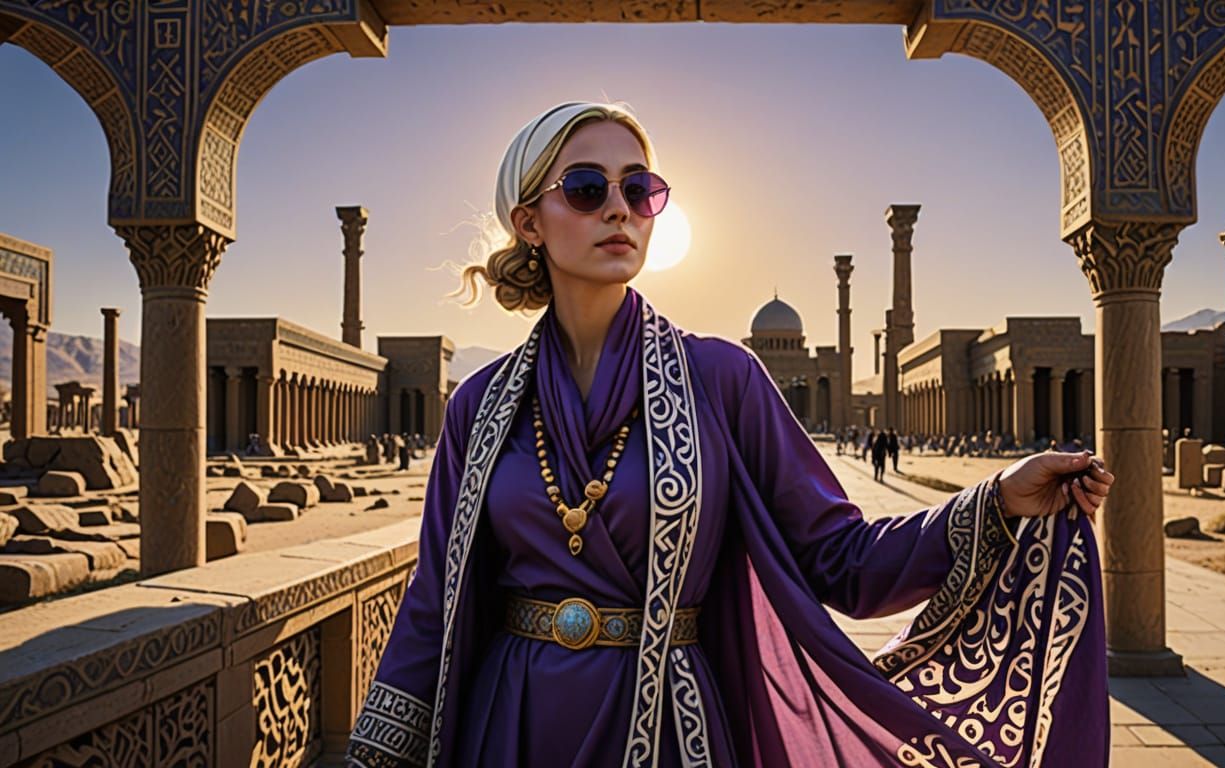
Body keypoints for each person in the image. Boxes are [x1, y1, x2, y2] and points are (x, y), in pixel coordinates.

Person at [349, 101, 1113, 768]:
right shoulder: (483, 405)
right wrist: (377, 753)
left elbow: (838, 560)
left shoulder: (720, 380)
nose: (619, 208)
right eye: (587, 189)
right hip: (512, 721)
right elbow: (434, 603)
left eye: (639, 189)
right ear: (528, 223)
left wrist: (997, 502)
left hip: (666, 726)